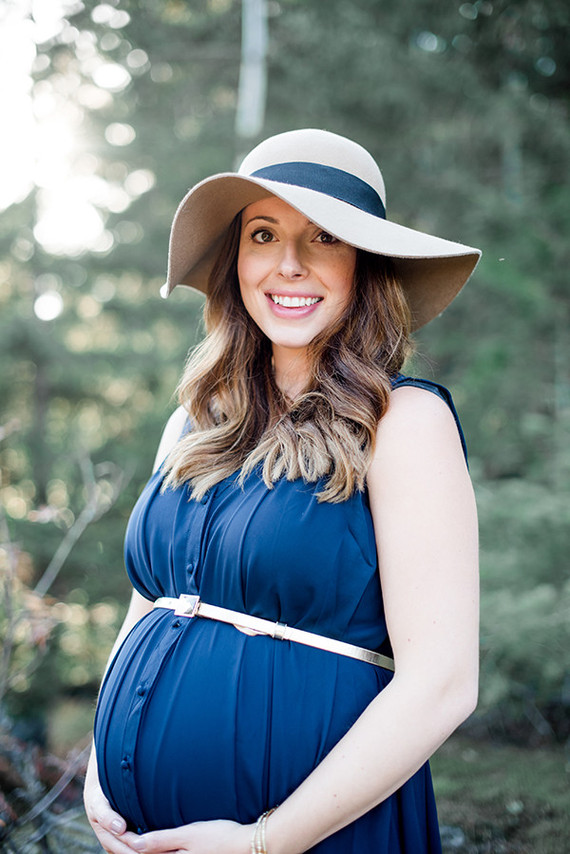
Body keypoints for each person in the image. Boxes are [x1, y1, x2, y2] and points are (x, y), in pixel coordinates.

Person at [84, 128, 480, 854]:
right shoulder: (192, 421)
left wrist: (265, 842)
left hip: (317, 836)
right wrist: (96, 775)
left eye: (324, 237)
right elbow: (150, 607)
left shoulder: (405, 423)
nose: (289, 264)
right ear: (236, 258)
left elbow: (444, 684)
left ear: (365, 265)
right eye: (264, 233)